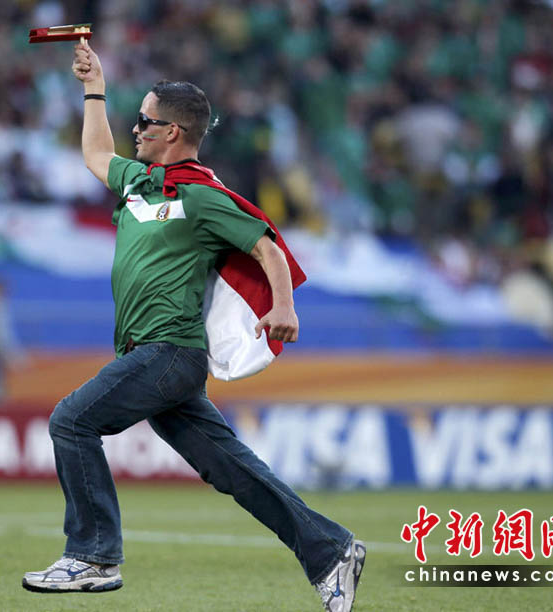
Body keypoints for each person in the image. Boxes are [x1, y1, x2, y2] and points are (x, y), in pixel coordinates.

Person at [22, 42, 364, 611]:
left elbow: (267, 245)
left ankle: (94, 557)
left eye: (144, 121)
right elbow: (95, 153)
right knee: (233, 470)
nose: (135, 129)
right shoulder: (140, 182)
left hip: (169, 353)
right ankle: (331, 551)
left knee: (72, 421)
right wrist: (93, 88)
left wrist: (284, 307)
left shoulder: (200, 196)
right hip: (153, 357)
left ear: (173, 132)